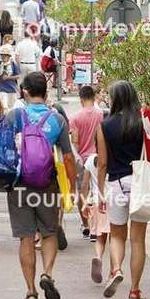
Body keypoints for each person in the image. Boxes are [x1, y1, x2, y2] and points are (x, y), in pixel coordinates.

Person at [3, 73, 77, 299]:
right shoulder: (56, 119)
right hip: (46, 183)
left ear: (24, 91)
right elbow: (67, 156)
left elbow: (1, 149)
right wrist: (72, 188)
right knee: (49, 232)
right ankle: (47, 272)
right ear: (46, 92)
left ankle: (31, 290)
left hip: (19, 183)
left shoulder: (14, 116)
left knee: (26, 237)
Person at [93, 81, 150, 299]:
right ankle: (135, 290)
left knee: (117, 235)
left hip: (116, 183)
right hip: (140, 183)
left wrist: (100, 192)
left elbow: (102, 163)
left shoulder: (104, 125)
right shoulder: (142, 122)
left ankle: (116, 269)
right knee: (138, 239)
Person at [69, 85, 105, 238]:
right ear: (93, 97)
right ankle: (97, 225)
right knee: (97, 192)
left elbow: (75, 141)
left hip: (82, 159)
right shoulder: (101, 115)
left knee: (83, 192)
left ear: (81, 99)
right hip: (98, 158)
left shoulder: (76, 117)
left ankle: (86, 225)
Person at [0, 44, 21, 108]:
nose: (3, 57)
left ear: (8, 56)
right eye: (2, 55)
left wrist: (8, 77)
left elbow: (18, 76)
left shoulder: (13, 64)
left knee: (12, 107)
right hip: (2, 89)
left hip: (11, 89)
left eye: (5, 56)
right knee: (4, 107)